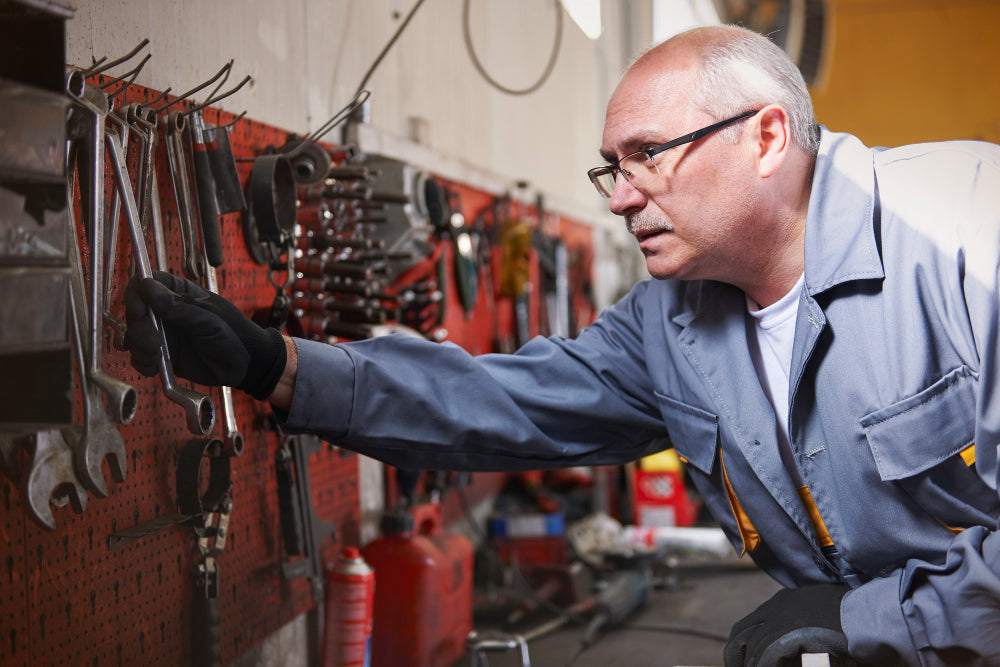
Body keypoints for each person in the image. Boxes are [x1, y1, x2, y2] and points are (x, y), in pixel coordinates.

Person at [124, 24, 1000, 667]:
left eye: (647, 155)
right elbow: (508, 404)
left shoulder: (969, 236)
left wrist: (869, 621)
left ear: (766, 137)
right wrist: (275, 366)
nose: (619, 197)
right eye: (611, 166)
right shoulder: (673, 320)